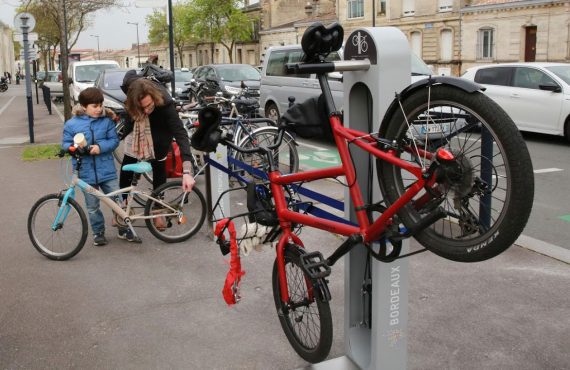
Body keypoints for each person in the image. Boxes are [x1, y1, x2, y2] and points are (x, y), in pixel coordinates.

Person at [119, 75, 196, 241]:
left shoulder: (166, 103)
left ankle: (158, 209)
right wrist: (107, 142)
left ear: (153, 97)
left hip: (160, 132)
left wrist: (187, 170)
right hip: (137, 128)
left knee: (159, 167)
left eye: (148, 105)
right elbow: (126, 129)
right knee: (128, 164)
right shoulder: (133, 105)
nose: (147, 110)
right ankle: (122, 206)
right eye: (142, 107)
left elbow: (181, 134)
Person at [62, 87, 120, 246]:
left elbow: (114, 140)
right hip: (85, 173)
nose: (99, 109)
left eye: (100, 105)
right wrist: (76, 148)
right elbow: (66, 145)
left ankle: (123, 227)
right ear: (84, 106)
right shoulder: (71, 124)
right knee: (93, 206)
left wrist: (100, 147)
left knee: (117, 201)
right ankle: (98, 233)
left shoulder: (106, 121)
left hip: (107, 170)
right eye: (95, 106)